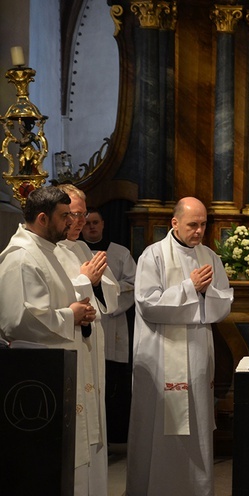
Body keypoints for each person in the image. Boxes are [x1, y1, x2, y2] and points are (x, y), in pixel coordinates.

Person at [126, 197, 234, 496]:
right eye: (192, 225)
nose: (199, 231)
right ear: (175, 223)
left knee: (196, 425)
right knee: (160, 427)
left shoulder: (210, 256)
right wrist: (190, 288)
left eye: (203, 224)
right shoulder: (153, 255)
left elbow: (223, 301)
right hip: (161, 355)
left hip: (197, 353)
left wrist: (206, 293)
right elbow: (147, 304)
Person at [0, 186, 98, 493]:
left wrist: (78, 313)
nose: (71, 222)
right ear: (43, 218)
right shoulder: (22, 259)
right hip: (39, 377)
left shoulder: (47, 250)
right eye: (64, 216)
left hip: (58, 369)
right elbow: (19, 319)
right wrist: (71, 315)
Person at [53, 184, 120, 495]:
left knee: (94, 429)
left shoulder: (82, 248)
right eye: (75, 215)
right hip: (68, 348)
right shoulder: (48, 249)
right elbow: (55, 302)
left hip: (90, 346)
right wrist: (84, 281)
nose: (80, 222)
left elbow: (113, 296)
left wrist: (92, 283)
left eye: (83, 214)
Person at [82, 207, 137, 443]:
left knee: (113, 379)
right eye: (87, 223)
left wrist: (107, 294)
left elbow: (133, 284)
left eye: (95, 222)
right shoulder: (76, 250)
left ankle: (114, 434)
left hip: (113, 321)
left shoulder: (120, 252)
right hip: (84, 319)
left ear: (103, 224)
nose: (91, 227)